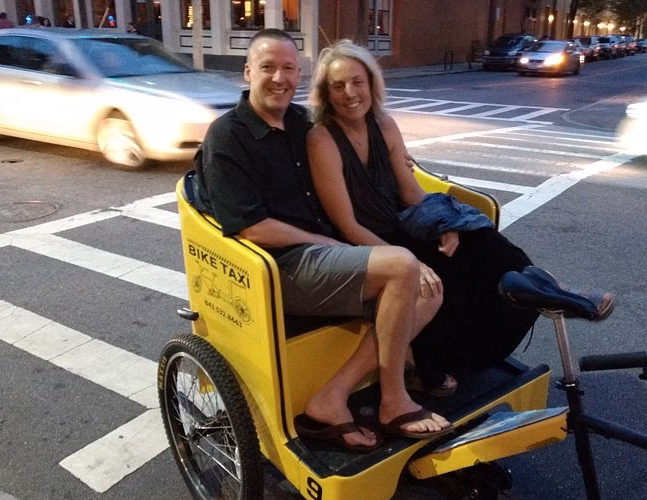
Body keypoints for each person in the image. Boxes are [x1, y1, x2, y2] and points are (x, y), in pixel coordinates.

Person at [195, 29, 452, 450]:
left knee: (429, 291)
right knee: (403, 264)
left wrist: (398, 158)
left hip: (325, 256)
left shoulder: (302, 123)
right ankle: (394, 402)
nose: (279, 78)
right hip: (279, 267)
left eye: (289, 68)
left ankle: (331, 397)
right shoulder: (228, 136)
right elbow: (250, 227)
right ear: (247, 72)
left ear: (299, 75)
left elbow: (357, 138)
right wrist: (326, 241)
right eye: (267, 67)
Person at [306, 40, 610, 395]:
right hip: (363, 243)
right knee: (433, 277)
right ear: (326, 93)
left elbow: (410, 193)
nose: (350, 93)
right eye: (338, 85)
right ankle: (424, 367)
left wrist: (445, 223)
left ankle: (549, 291)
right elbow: (347, 225)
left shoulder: (384, 125)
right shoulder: (322, 139)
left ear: (372, 83)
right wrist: (405, 260)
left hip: (402, 224)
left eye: (357, 82)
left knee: (483, 244)